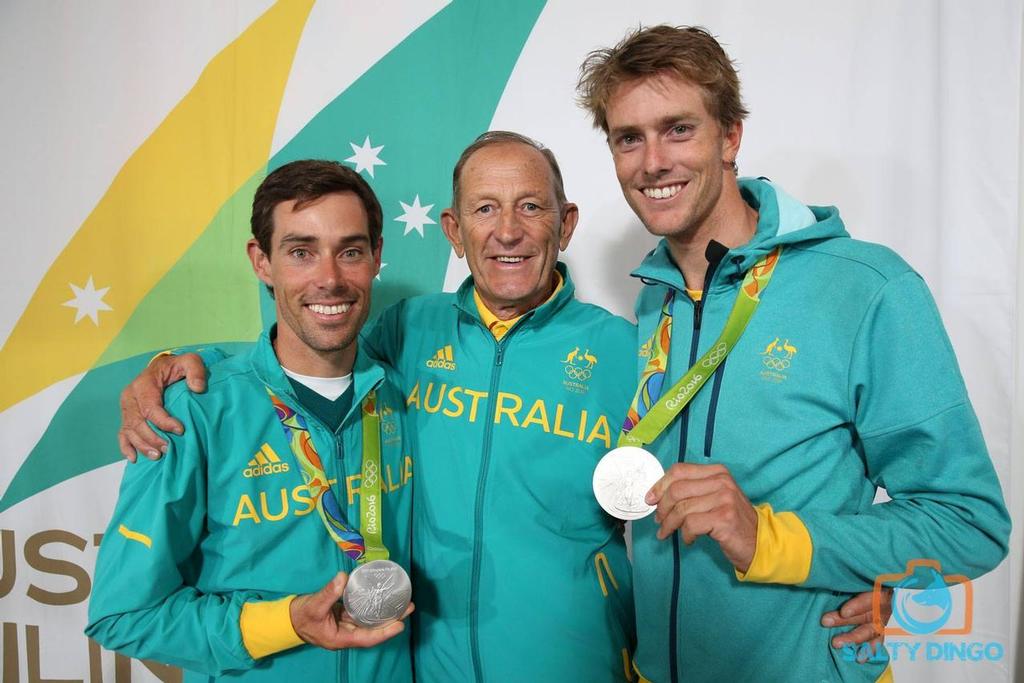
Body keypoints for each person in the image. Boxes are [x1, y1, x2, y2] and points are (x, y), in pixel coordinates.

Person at [116, 134, 890, 680]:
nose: (509, 230)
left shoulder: (637, 351)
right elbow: (304, 348)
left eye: (530, 207)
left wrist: (838, 570)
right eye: (484, 210)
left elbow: (736, 483)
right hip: (426, 663)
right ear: (453, 231)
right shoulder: (404, 333)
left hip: (577, 663)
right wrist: (170, 367)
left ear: (568, 224)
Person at [576, 25, 1011, 682]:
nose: (652, 161)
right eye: (627, 138)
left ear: (730, 136)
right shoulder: (653, 301)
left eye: (678, 129)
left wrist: (779, 540)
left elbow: (969, 521)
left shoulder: (865, 286)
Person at [86, 160, 414, 681]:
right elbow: (124, 615)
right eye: (301, 252)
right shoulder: (193, 411)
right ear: (262, 262)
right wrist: (285, 622)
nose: (329, 279)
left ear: (376, 258)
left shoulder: (406, 394)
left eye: (350, 251)